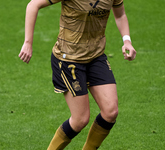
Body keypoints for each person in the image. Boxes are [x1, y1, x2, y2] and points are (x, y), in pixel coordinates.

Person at [19, 0, 136, 149]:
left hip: (95, 56)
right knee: (80, 119)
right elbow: (33, 5)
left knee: (110, 112)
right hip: (68, 59)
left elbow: (120, 15)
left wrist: (127, 41)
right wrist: (28, 42)